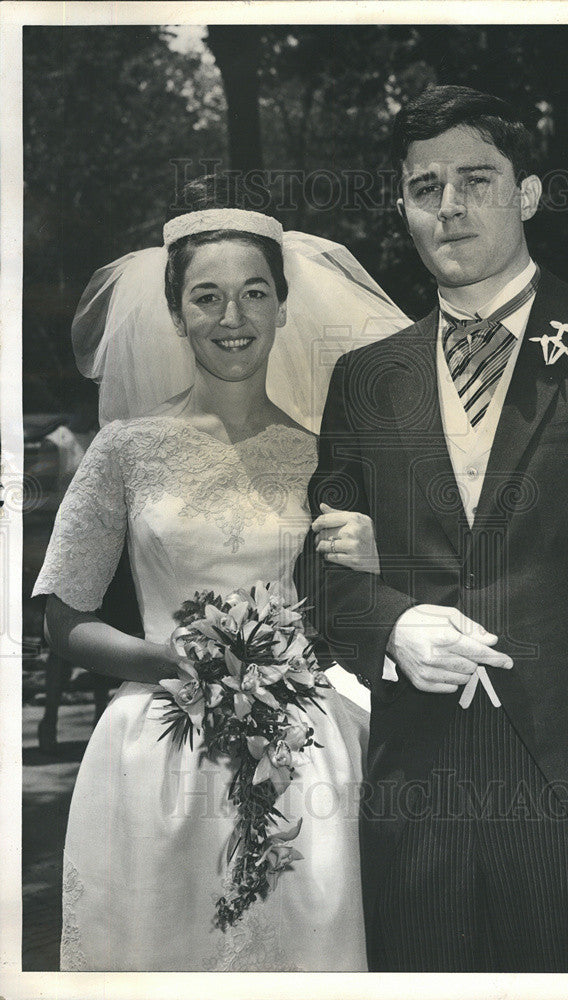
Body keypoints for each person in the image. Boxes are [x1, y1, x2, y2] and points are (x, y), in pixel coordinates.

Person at [295, 85, 568, 973]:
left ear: (527, 193)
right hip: (419, 814)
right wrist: (390, 623)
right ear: (404, 206)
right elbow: (319, 575)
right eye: (426, 188)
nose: (450, 207)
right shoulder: (364, 379)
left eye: (476, 180)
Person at [32, 174, 405, 971]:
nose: (231, 319)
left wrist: (368, 564)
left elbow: (348, 611)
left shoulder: (322, 453)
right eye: (206, 298)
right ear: (174, 312)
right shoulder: (124, 450)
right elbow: (62, 620)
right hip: (156, 751)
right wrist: (168, 660)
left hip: (304, 747)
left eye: (254, 294)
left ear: (280, 306)